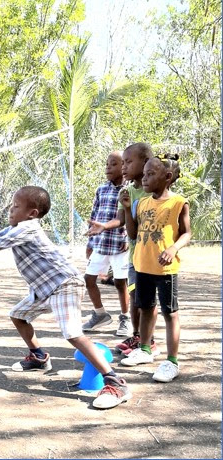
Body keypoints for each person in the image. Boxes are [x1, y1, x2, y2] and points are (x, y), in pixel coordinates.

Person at [0, 186, 132, 409]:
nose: (10, 210)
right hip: (44, 289)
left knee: (72, 333)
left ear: (32, 213)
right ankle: (39, 357)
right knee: (18, 316)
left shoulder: (28, 228)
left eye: (15, 206)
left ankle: (115, 382)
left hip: (64, 285)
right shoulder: (16, 228)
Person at [120, 155, 191, 383]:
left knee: (170, 314)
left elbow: (187, 233)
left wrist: (173, 248)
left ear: (167, 177)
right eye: (144, 174)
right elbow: (132, 234)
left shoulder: (179, 202)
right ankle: (144, 349)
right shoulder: (141, 203)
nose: (145, 178)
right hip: (142, 265)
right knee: (145, 308)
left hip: (165, 270)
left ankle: (171, 362)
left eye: (151, 174)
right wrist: (128, 208)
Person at [87, 142, 159, 356]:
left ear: (145, 164)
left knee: (146, 300)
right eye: (123, 162)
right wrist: (101, 227)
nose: (124, 167)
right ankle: (137, 337)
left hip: (150, 255)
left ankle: (148, 342)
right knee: (137, 297)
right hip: (134, 255)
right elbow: (125, 224)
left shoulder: (153, 193)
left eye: (128, 162)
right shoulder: (128, 191)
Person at [83, 151, 131, 337]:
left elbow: (131, 216)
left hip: (120, 244)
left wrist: (128, 238)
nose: (108, 168)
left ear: (123, 166)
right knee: (89, 279)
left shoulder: (129, 190)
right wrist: (90, 242)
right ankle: (100, 314)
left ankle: (125, 318)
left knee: (120, 282)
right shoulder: (101, 189)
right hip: (101, 243)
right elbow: (94, 216)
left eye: (113, 164)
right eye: (107, 164)